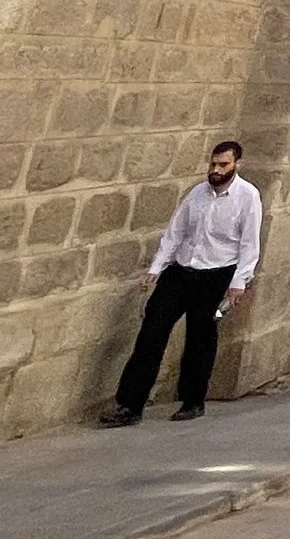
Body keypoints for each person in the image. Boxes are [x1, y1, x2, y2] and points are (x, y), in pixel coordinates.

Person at [100, 137, 262, 425]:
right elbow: (175, 233)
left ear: (237, 164)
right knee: (151, 332)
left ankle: (192, 401)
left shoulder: (248, 197)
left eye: (223, 164)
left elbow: (249, 244)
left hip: (216, 273)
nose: (216, 169)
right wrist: (156, 267)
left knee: (200, 339)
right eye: (213, 163)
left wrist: (239, 282)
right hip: (182, 271)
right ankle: (130, 406)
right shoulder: (197, 194)